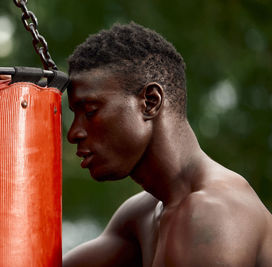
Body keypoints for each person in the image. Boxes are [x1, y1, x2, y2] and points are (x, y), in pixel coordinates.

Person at [63, 22, 272, 267]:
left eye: (89, 111)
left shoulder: (213, 213)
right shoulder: (141, 215)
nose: (73, 133)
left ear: (150, 102)